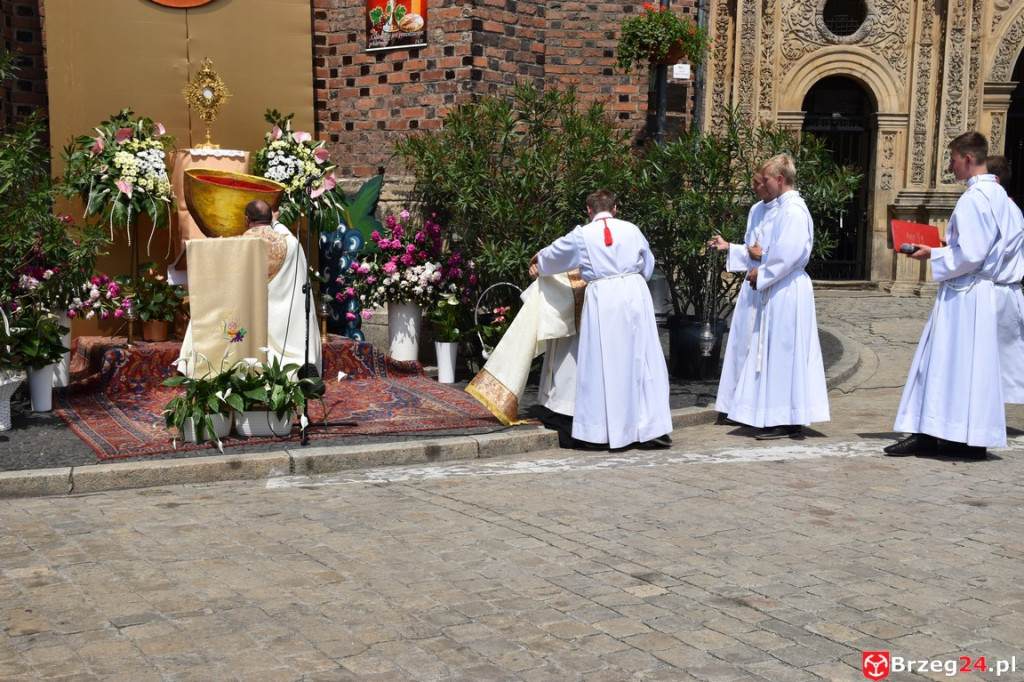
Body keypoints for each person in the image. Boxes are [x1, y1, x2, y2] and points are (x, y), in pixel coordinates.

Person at [886, 132, 1024, 458]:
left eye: (952, 159)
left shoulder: (976, 198)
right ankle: (954, 434)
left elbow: (972, 254)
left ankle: (939, 434)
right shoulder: (1004, 200)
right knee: (962, 367)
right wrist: (947, 249)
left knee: (946, 362)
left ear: (967, 159)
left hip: (967, 292)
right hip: (982, 289)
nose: (950, 166)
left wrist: (932, 254)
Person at [529, 189, 672, 450]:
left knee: (604, 363)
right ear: (615, 208)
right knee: (641, 360)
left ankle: (603, 430)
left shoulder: (582, 234)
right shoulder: (632, 229)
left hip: (603, 298)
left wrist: (539, 258)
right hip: (635, 294)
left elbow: (554, 254)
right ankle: (649, 427)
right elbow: (647, 265)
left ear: (589, 210)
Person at [714, 154, 830, 439]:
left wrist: (761, 270)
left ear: (779, 180)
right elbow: (761, 249)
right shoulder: (763, 208)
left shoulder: (794, 211)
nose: (757, 185)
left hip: (785, 288)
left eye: (763, 180)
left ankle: (785, 417)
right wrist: (742, 254)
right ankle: (759, 410)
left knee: (782, 351)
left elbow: (786, 255)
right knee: (764, 350)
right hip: (769, 285)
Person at [708, 169, 779, 419]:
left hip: (769, 286)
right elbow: (751, 250)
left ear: (772, 183)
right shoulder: (756, 209)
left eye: (758, 184)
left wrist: (765, 259)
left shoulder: (787, 211)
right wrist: (730, 247)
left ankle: (751, 407)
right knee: (740, 346)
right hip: (751, 289)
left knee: (758, 349)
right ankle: (733, 405)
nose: (754, 188)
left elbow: (786, 255)